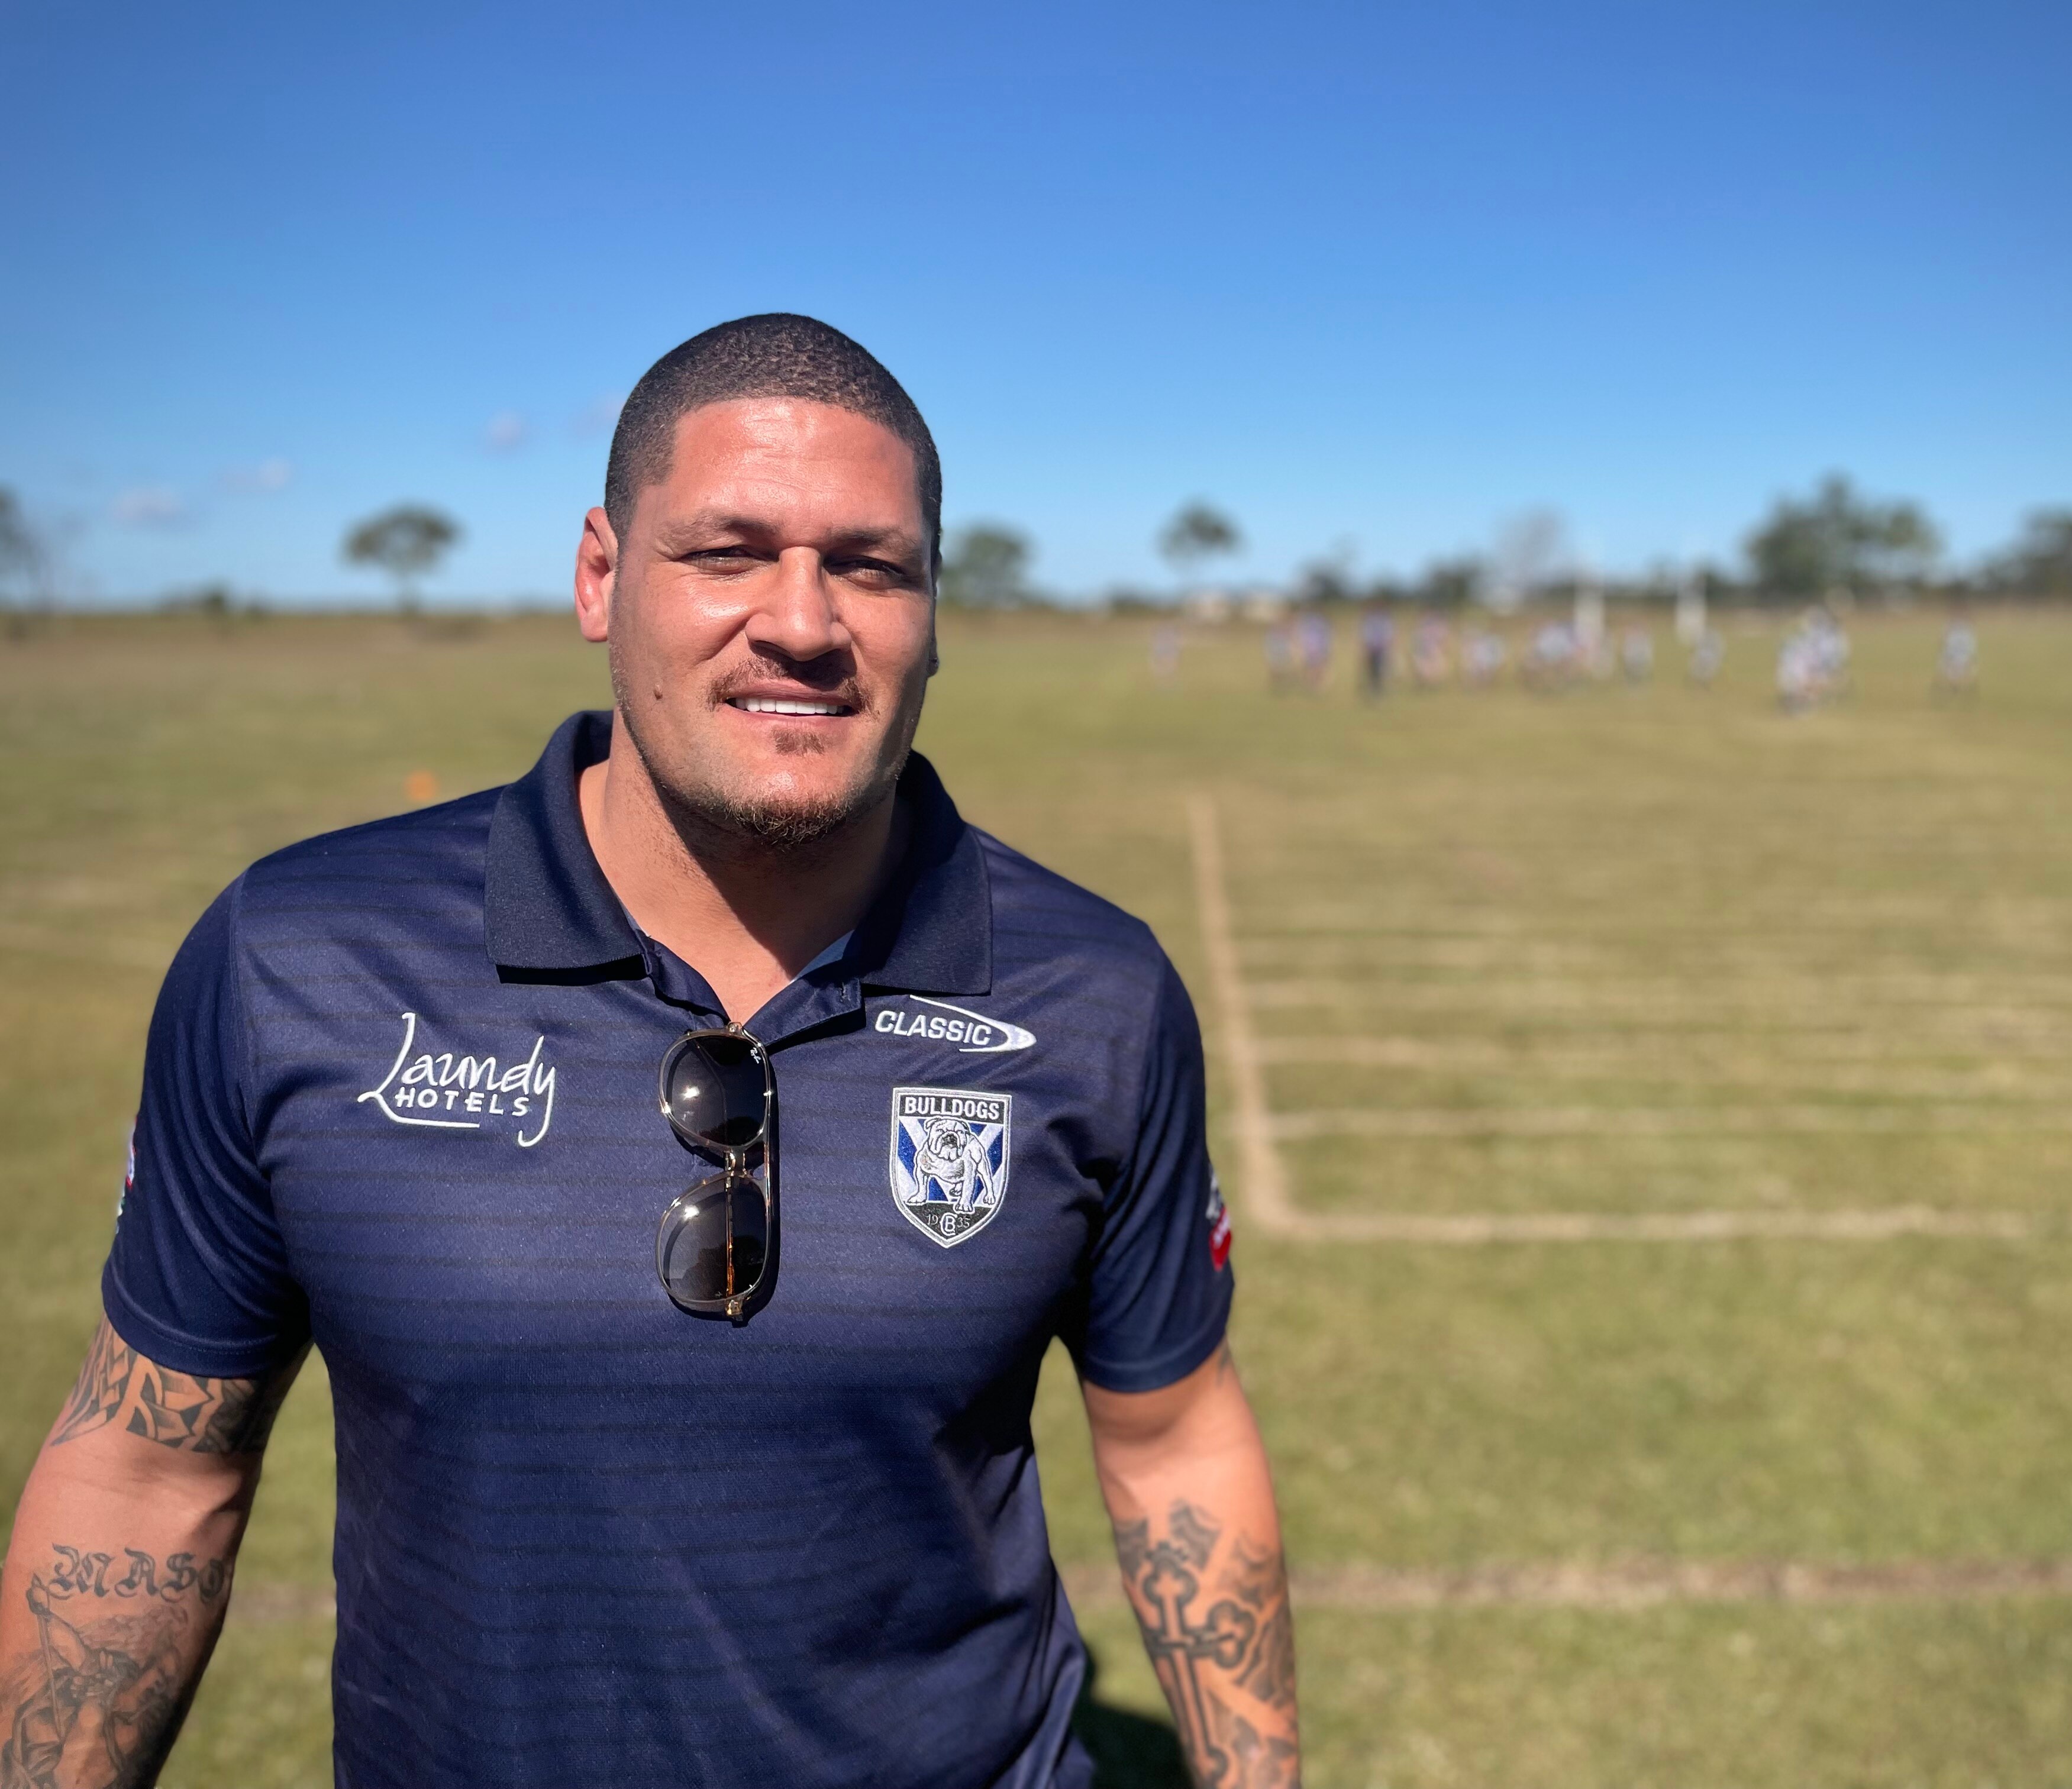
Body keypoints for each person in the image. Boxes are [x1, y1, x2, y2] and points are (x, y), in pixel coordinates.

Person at [0, 315, 1297, 1789]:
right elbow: (149, 1471)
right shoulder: (296, 958)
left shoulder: (1094, 990)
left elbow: (1175, 1438)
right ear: (601, 578)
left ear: (937, 611)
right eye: (728, 552)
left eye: (871, 565)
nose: (805, 622)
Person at [1358, 602, 1394, 699]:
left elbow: (1388, 635)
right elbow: (1366, 635)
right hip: (1372, 650)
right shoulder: (1370, 620)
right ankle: (1373, 690)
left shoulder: (1384, 620)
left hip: (1381, 650)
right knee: (1372, 672)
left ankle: (1378, 690)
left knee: (1380, 671)